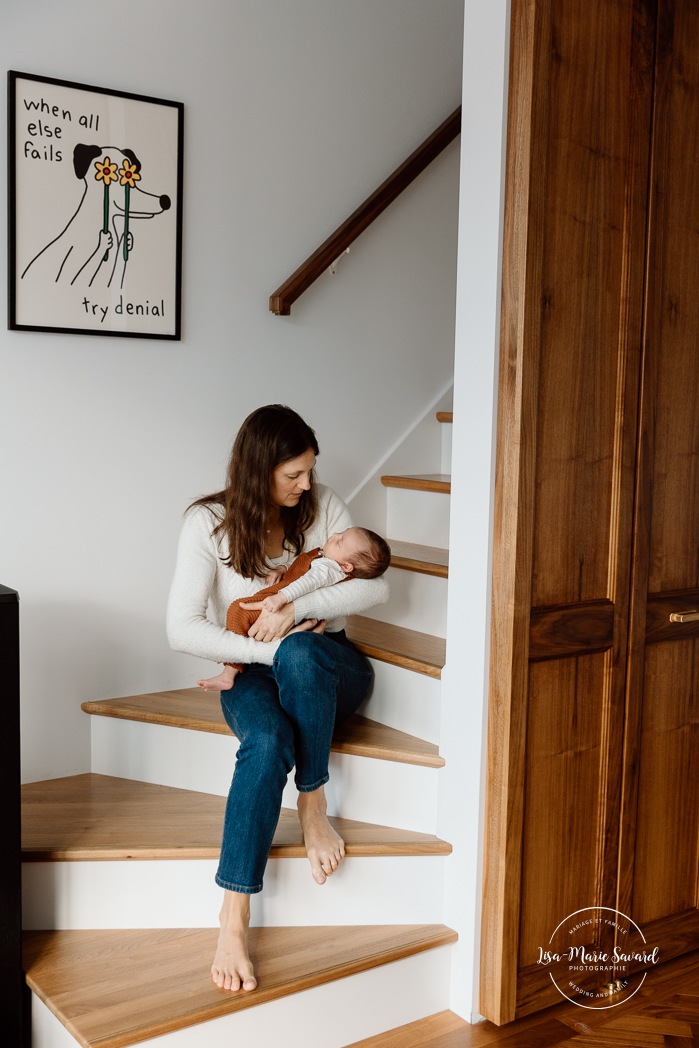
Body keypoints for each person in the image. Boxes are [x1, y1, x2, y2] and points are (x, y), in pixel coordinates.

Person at [166, 405, 389, 993]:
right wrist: (273, 651)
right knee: (264, 743)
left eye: (310, 471)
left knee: (306, 655)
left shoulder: (324, 507)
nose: (307, 485)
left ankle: (312, 805)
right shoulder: (208, 523)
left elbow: (378, 584)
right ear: (258, 469)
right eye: (294, 475)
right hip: (259, 671)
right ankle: (233, 916)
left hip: (332, 668)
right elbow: (182, 628)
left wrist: (299, 609)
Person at [196, 526, 391, 693]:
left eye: (339, 541)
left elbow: (306, 582)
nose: (335, 534)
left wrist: (281, 598)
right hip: (282, 597)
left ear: (347, 566)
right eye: (341, 533)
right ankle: (238, 653)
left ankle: (229, 671)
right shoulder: (324, 556)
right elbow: (301, 564)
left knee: (238, 611)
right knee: (243, 616)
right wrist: (283, 568)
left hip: (285, 600)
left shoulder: (328, 569)